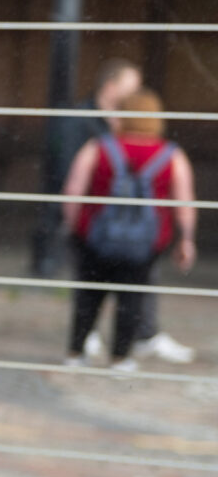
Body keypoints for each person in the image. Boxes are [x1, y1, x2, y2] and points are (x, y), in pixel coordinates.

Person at [63, 90, 197, 372]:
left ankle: (76, 353)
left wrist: (74, 227)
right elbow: (184, 202)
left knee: (89, 296)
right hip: (144, 243)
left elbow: (73, 190)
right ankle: (120, 358)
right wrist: (185, 240)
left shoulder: (98, 147)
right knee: (131, 299)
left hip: (96, 237)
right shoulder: (171, 155)